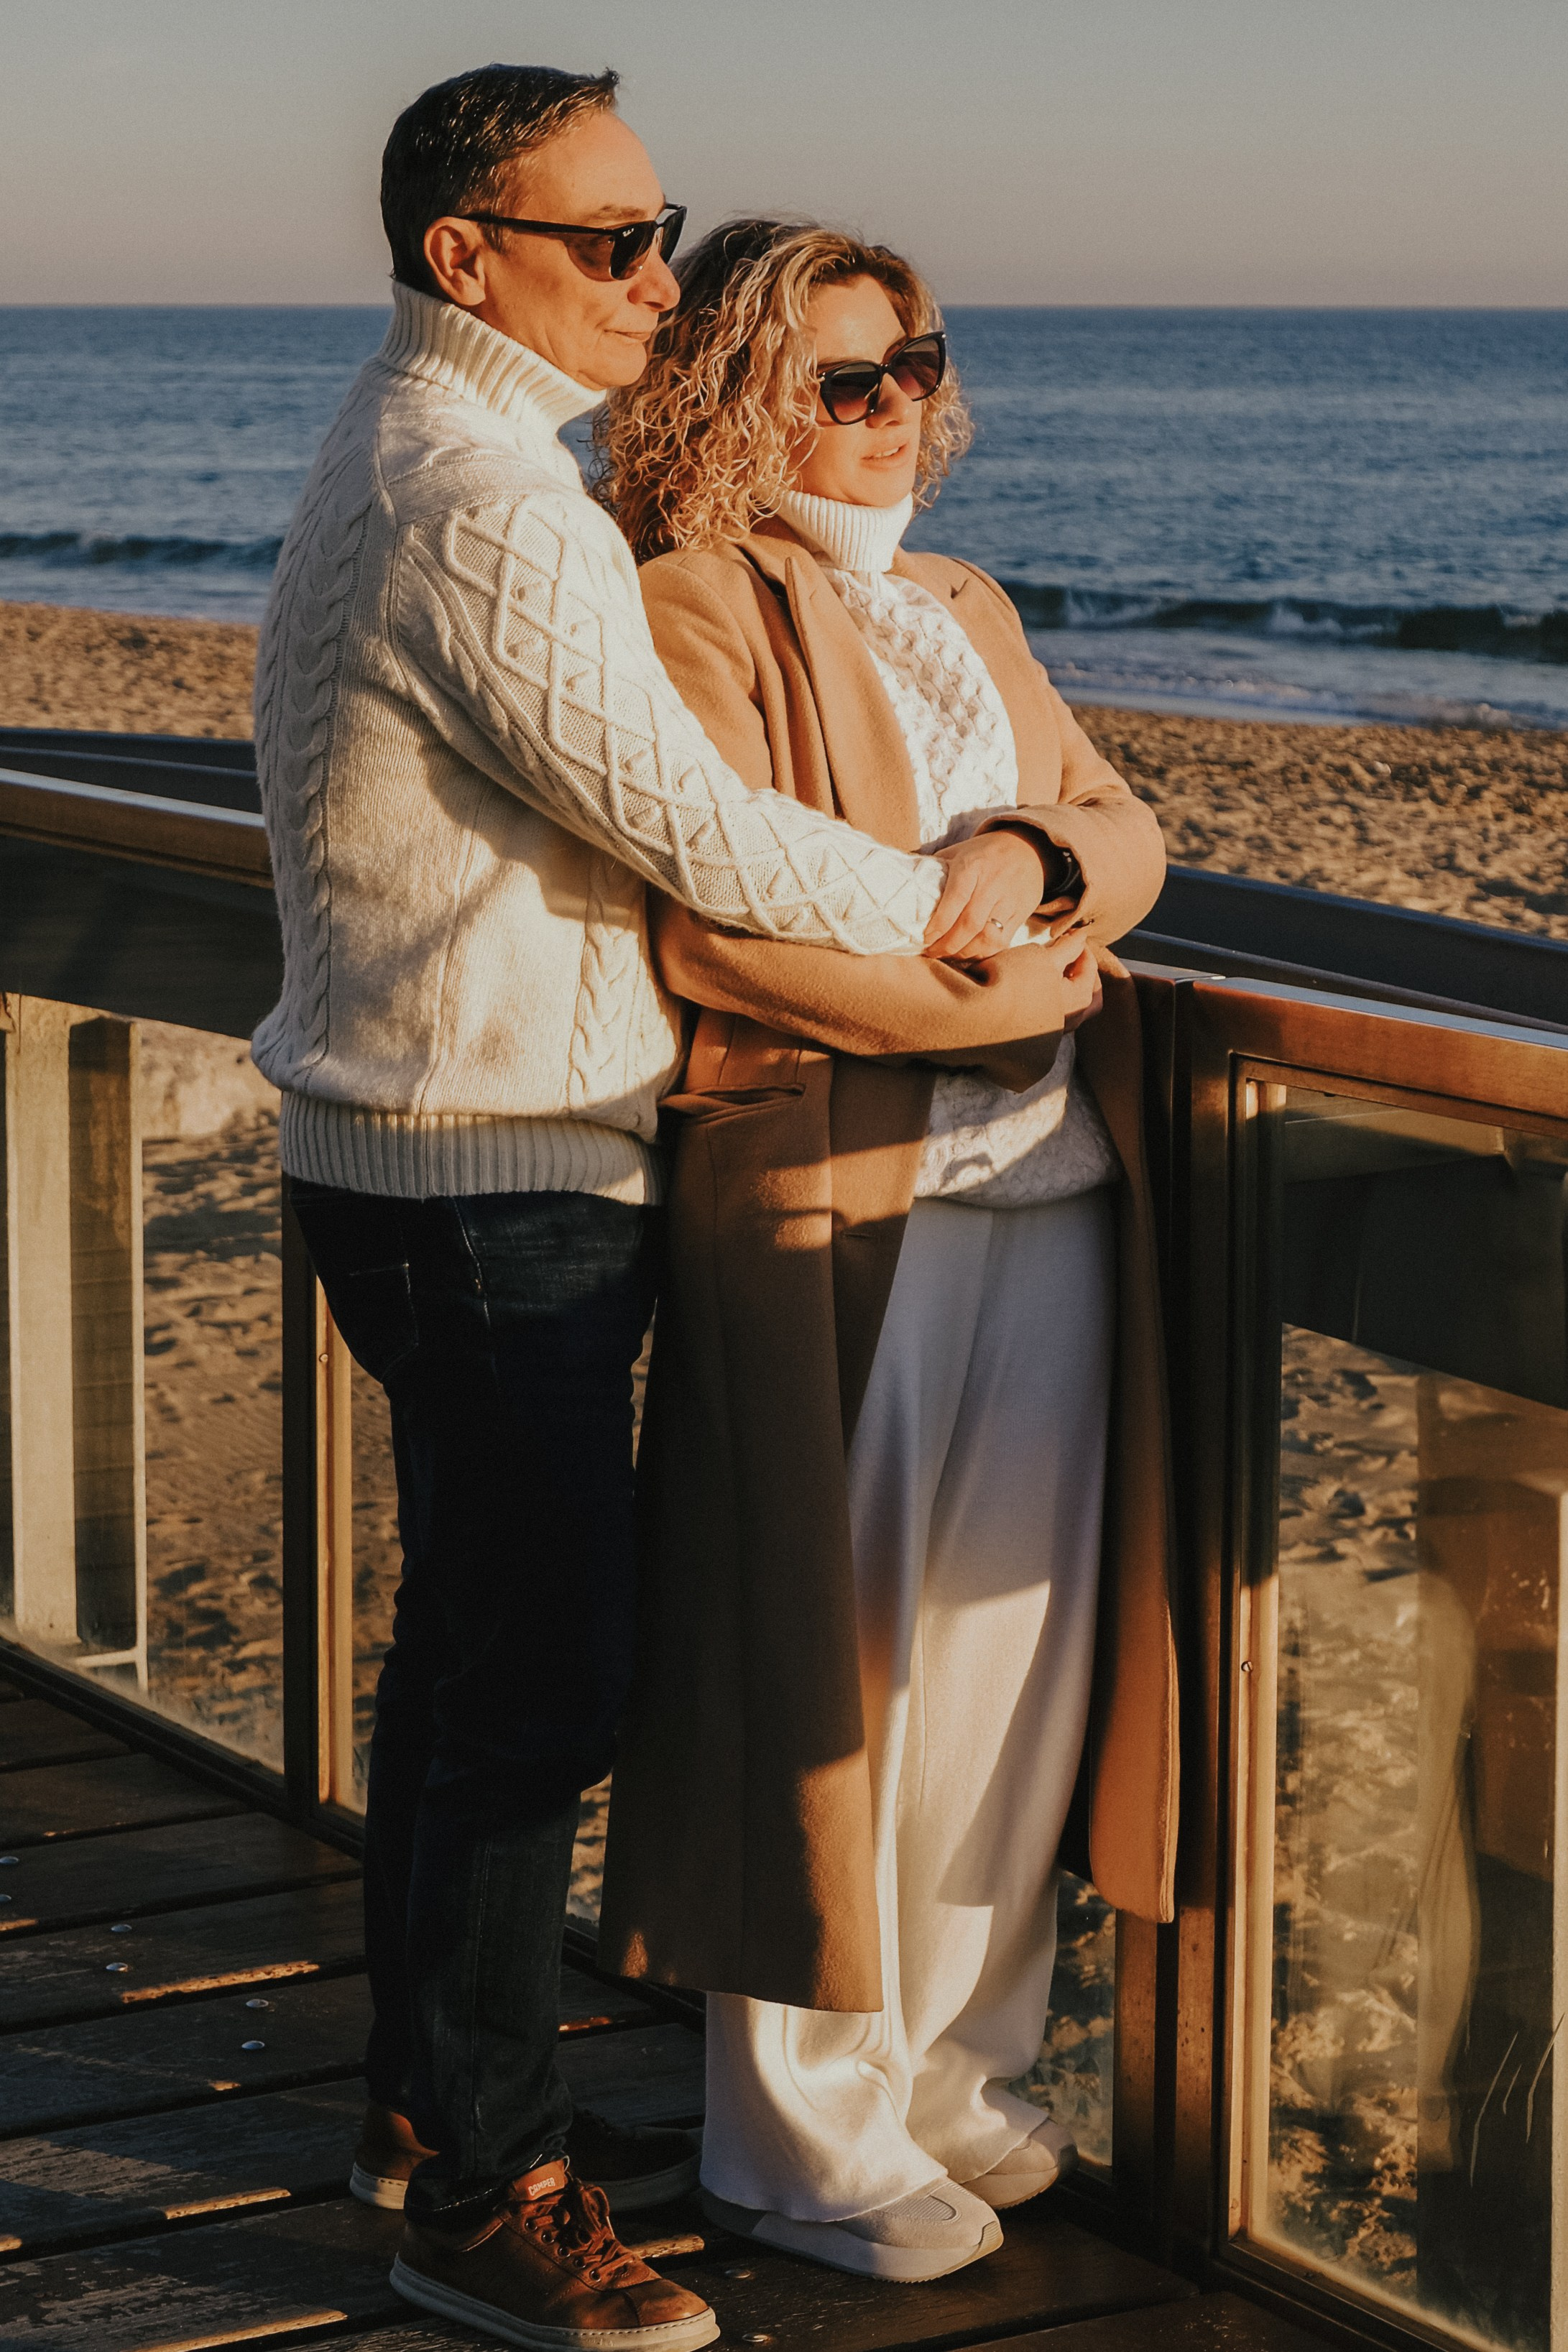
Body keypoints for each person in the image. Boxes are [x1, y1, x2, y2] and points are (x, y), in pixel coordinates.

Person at [254, 69, 1049, 2352]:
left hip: (426, 1146)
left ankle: (433, 2111)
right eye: (612, 242)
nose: (660, 278)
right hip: (487, 1168)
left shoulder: (413, 445)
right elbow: (693, 828)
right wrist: (957, 917)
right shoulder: (485, 498)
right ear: (464, 257)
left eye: (661, 227)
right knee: (541, 1691)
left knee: (470, 1668)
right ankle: (481, 2200)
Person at [596, 221, 1181, 2284]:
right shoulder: (689, 603)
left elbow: (1127, 826)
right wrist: (1033, 990)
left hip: (1048, 1192)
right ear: (738, 400)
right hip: (836, 1202)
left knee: (998, 1674)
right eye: (843, 379)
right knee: (819, 1673)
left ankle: (953, 2067)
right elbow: (722, 932)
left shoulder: (963, 597)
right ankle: (794, 2137)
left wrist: (1026, 861)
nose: (896, 408)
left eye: (913, 363)